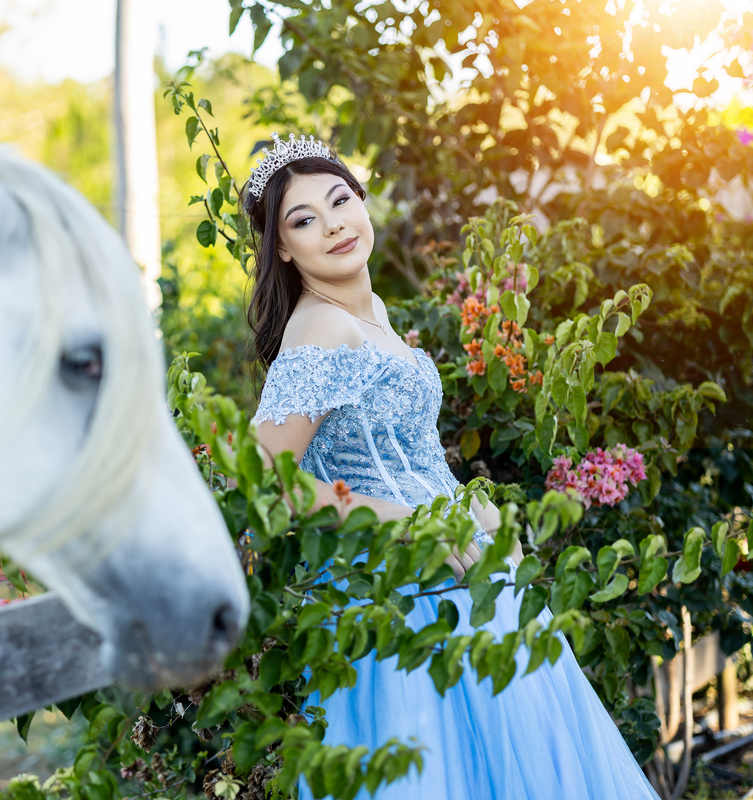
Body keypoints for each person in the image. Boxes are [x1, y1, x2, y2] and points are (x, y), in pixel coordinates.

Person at [243, 133, 660, 799]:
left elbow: (408, 453)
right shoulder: (321, 328)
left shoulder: (373, 314)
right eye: (303, 220)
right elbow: (268, 484)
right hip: (395, 596)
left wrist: (473, 505)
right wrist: (415, 523)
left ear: (362, 202)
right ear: (284, 250)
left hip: (466, 575)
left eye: (339, 200)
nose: (333, 225)